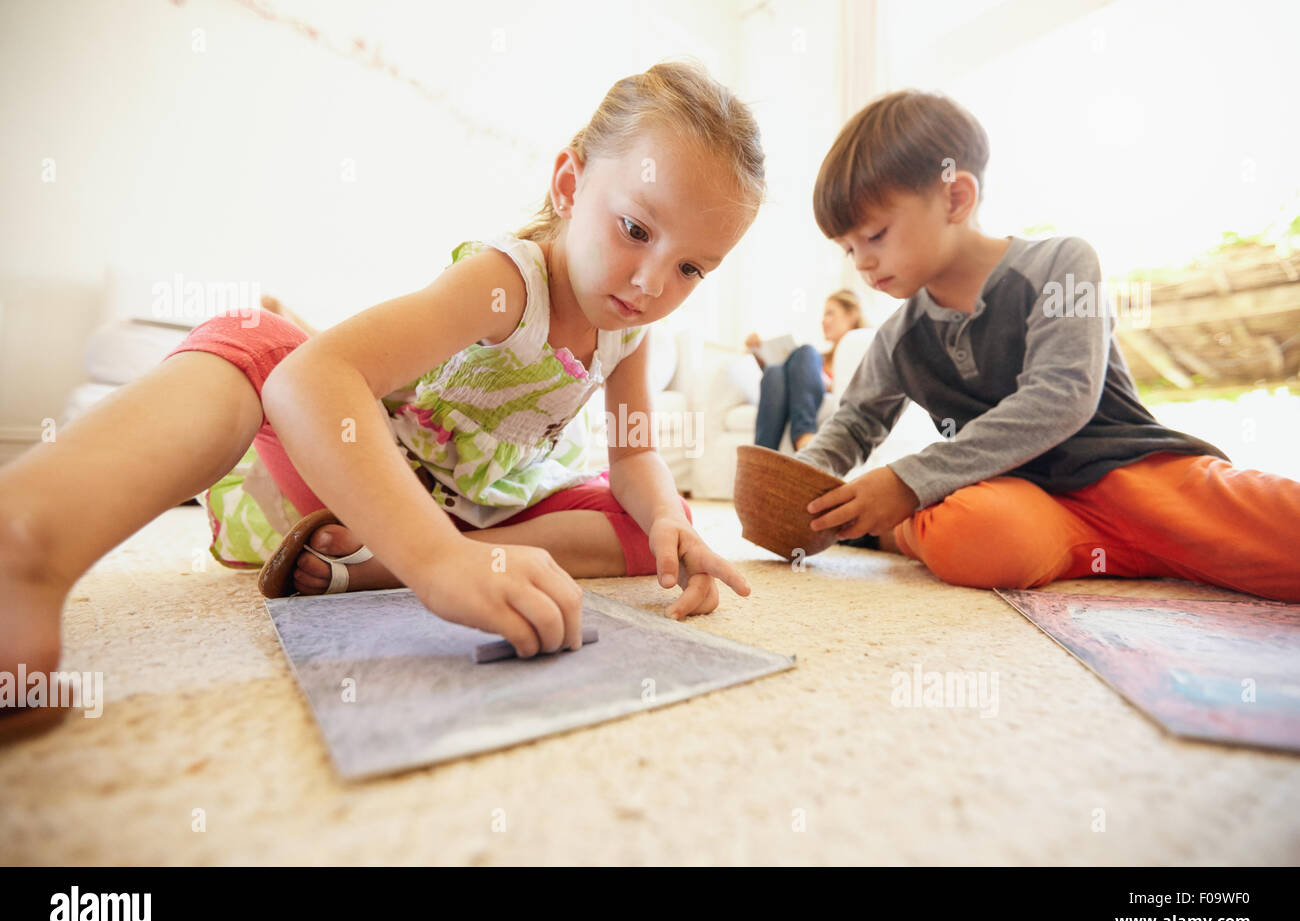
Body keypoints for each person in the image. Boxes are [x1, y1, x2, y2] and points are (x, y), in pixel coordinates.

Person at [0, 62, 765, 731]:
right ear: (570, 184)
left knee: (650, 526)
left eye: (692, 269)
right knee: (257, 338)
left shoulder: (630, 333)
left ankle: (383, 567)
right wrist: (433, 561)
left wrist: (668, 519)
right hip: (367, 481)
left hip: (477, 504)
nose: (651, 284)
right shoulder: (506, 284)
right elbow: (310, 381)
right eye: (636, 229)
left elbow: (635, 457)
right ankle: (27, 541)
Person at [793, 89, 1300, 602]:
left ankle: (894, 529)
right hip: (1024, 500)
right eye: (848, 248)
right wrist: (792, 489)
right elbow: (854, 425)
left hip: (1127, 474)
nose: (861, 262)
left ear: (955, 198)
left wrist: (908, 483)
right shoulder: (897, 337)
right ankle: (892, 532)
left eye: (875, 235)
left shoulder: (1061, 263)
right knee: (976, 532)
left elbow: (1061, 395)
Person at [745, 290, 866, 451]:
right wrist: (758, 355)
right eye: (823, 315)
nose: (823, 321)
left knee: (806, 351)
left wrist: (829, 383)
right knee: (773, 371)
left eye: (830, 313)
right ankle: (762, 456)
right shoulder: (819, 359)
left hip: (819, 392)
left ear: (851, 315)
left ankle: (803, 435)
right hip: (790, 386)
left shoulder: (861, 352)